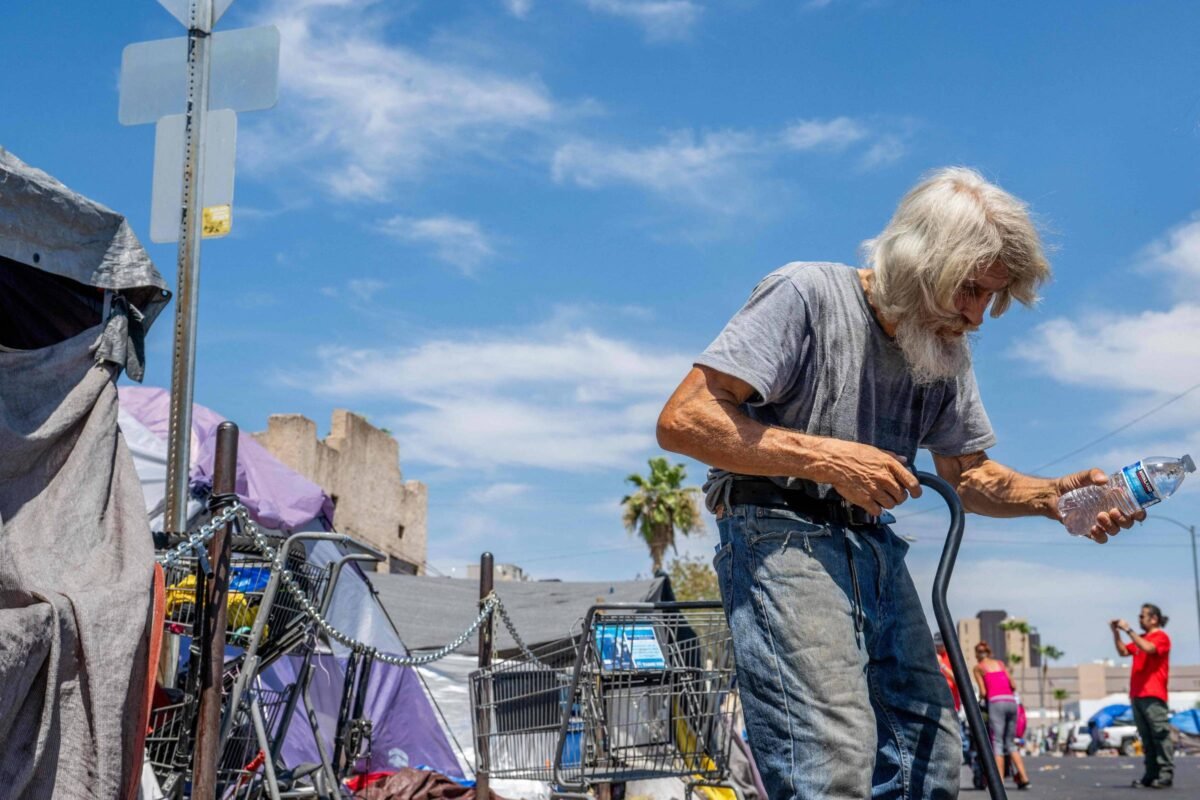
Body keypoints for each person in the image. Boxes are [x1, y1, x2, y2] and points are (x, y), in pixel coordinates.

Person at [656, 167, 1146, 799]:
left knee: (927, 756)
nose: (975, 316)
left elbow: (967, 476)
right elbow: (684, 420)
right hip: (778, 532)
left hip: (874, 547)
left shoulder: (944, 348)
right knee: (829, 760)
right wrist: (826, 458)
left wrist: (1054, 498)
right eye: (968, 289)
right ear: (920, 261)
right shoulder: (807, 292)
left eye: (988, 299)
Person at [1111, 604, 1174, 789]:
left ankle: (1165, 773)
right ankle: (1151, 773)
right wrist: (1116, 632)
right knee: (1146, 737)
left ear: (1153, 618)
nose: (1139, 619)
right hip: (1138, 694)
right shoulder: (1142, 638)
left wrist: (1129, 630)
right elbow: (1123, 651)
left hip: (1153, 695)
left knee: (1159, 735)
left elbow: (1148, 648)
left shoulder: (1160, 637)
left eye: (1142, 616)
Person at [972, 642, 1031, 789]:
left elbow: (983, 692)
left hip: (996, 703)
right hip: (1011, 702)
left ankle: (999, 782)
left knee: (997, 742)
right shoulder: (1000, 663)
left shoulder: (978, 668)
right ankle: (1024, 778)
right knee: (1010, 743)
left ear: (977, 654)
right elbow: (1013, 685)